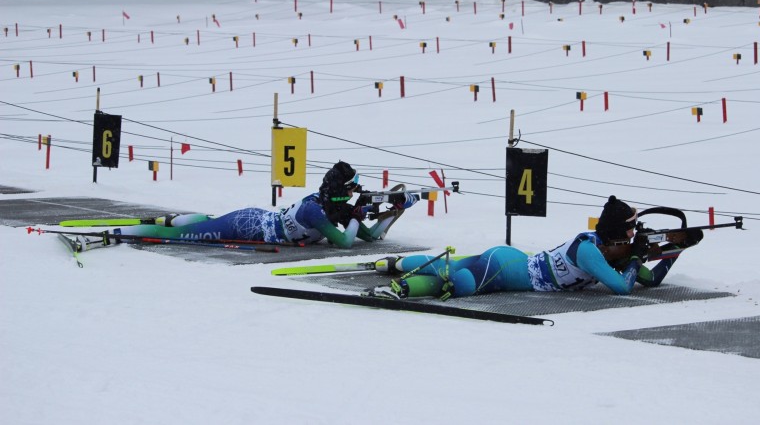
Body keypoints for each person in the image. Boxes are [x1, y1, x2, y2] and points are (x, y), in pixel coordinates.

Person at [371, 195, 679, 299]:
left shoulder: (604, 244)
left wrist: (674, 252)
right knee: (460, 283)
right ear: (617, 230)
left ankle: (394, 263)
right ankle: (403, 287)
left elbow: (647, 279)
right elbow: (623, 287)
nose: (634, 232)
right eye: (631, 227)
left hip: (512, 260)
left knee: (451, 266)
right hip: (506, 269)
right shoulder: (590, 251)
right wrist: (636, 255)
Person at [110, 161, 419, 248]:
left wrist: (395, 210)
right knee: (182, 237)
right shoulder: (316, 211)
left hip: (259, 219)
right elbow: (345, 242)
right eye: (352, 188)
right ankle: (119, 232)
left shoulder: (334, 207)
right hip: (248, 226)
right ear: (342, 190)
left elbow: (369, 237)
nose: (355, 193)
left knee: (205, 223)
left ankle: (175, 218)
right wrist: (357, 214)